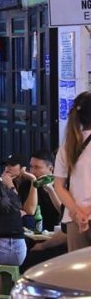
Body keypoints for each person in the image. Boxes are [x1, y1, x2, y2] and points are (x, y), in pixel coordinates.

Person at [54, 91, 91, 251]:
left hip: (74, 219)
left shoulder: (67, 146)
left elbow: (59, 186)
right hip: (82, 215)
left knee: (78, 273)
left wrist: (78, 212)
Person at [2, 154, 39, 219]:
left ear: (23, 168)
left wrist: (11, 186)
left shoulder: (29, 183)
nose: (7, 168)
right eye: (6, 165)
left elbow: (30, 211)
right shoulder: (5, 182)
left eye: (12, 165)